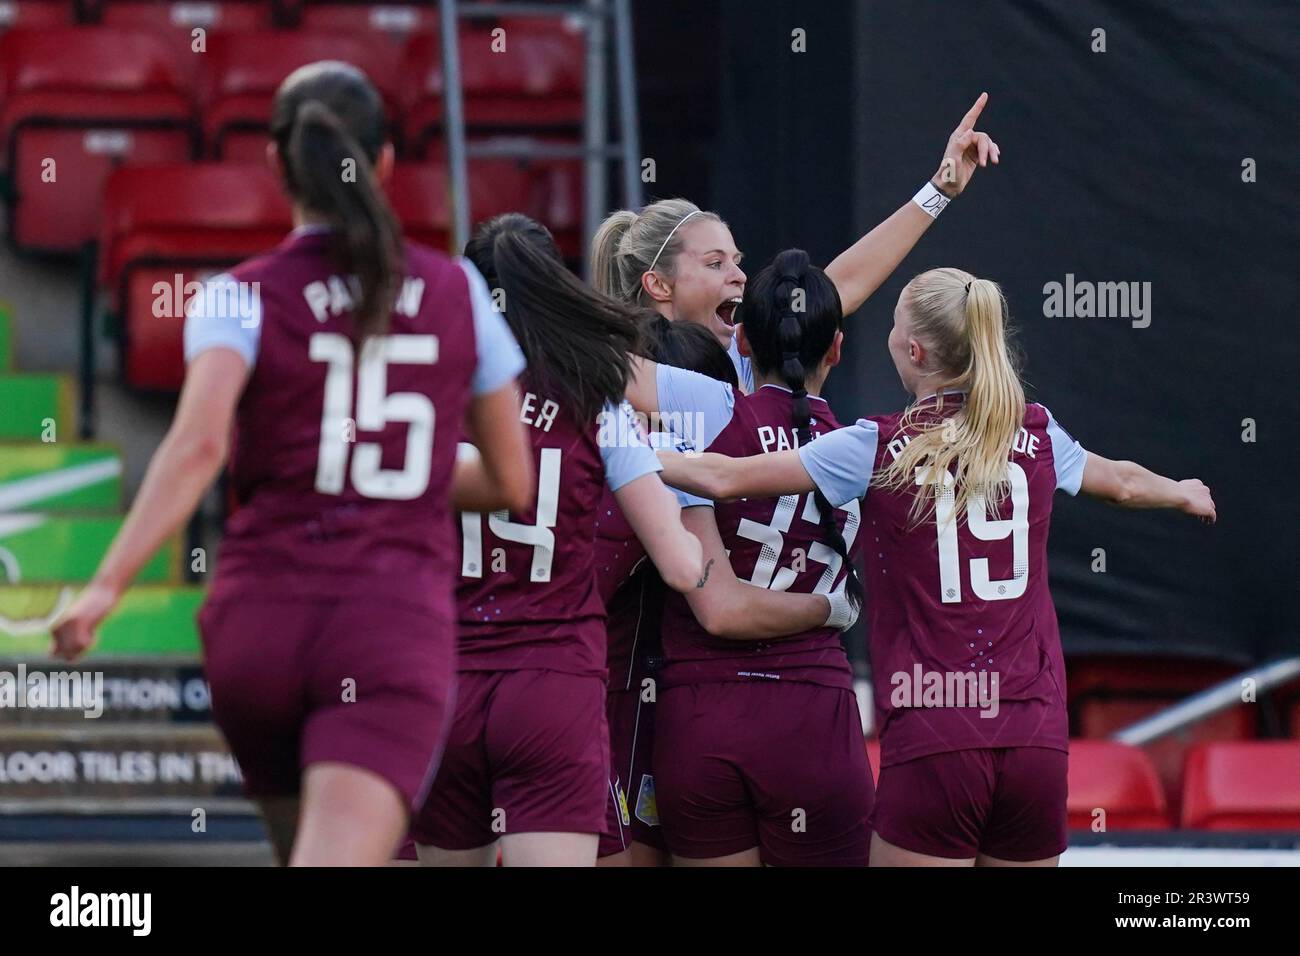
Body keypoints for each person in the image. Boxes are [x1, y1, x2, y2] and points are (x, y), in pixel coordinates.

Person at [49, 62, 535, 866]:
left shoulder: (235, 296)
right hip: (384, 630)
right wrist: (395, 466)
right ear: (384, 164)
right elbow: (511, 481)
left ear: (275, 163)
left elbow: (199, 444)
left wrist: (106, 585)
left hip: (255, 633)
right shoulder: (458, 292)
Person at [656, 267, 1216, 867]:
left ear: (914, 350)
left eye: (894, 327)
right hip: (1034, 736)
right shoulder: (1036, 431)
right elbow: (1125, 485)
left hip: (935, 731)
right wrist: (1182, 491)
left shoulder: (877, 444)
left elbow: (722, 476)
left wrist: (623, 450)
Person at [410, 214, 708, 867]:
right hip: (551, 688)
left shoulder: (427, 397)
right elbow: (684, 566)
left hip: (445, 684)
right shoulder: (593, 397)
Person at [625, 250, 874, 866]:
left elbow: (586, 364)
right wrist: (831, 608)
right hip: (813, 714)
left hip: (701, 716)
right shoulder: (869, 442)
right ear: (837, 349)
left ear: (739, 338)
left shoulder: (707, 414)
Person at [591, 94, 1001, 391]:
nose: (739, 277)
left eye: (736, 260)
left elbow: (839, 287)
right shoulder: (607, 373)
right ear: (658, 284)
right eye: (715, 263)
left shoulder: (750, 348)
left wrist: (940, 190)